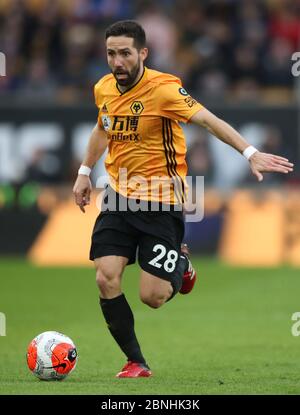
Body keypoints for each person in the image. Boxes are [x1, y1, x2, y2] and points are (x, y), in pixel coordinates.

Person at [73, 20, 294, 378]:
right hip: (117, 197)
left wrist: (250, 152)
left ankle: (182, 266)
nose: (118, 61)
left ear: (142, 53)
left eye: (125, 53)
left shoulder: (164, 90)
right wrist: (84, 172)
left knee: (153, 297)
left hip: (162, 201)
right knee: (105, 277)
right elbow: (103, 127)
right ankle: (135, 362)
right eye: (112, 53)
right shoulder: (103, 88)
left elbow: (208, 120)